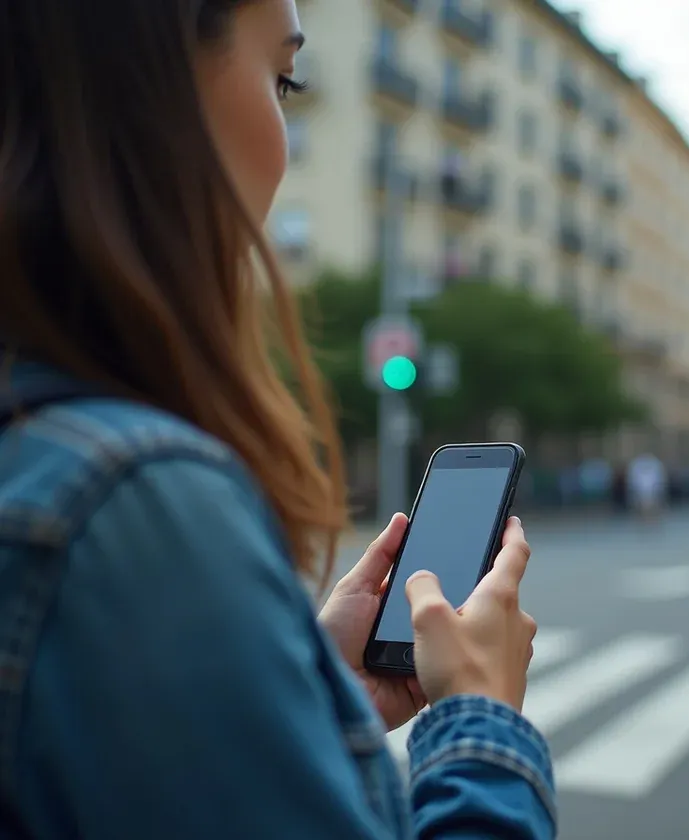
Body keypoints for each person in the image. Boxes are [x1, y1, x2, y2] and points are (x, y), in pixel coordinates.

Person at [0, 2, 552, 838]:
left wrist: (292, 680)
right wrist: (480, 717)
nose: (284, 142)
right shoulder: (133, 499)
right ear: (147, 91)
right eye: (282, 79)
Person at [626, 450, 667, 522]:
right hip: (642, 493)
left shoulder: (655, 464)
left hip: (652, 492)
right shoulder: (636, 465)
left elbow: (660, 480)